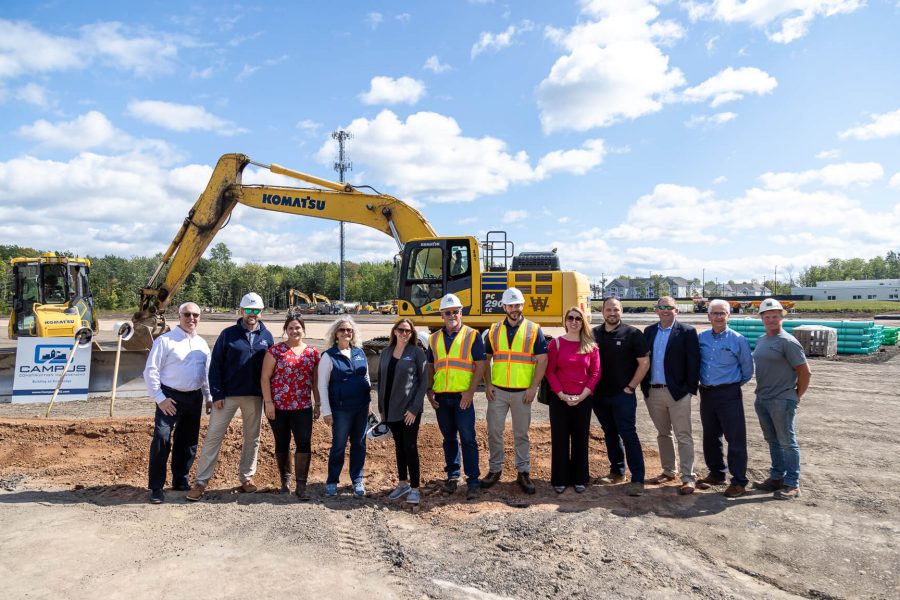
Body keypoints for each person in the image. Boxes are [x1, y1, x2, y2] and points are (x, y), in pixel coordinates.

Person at [187, 292, 273, 501]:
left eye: (256, 311)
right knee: (213, 437)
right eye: (248, 310)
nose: (252, 314)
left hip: (254, 396)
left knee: (252, 438)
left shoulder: (267, 337)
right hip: (227, 396)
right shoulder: (228, 334)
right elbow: (215, 366)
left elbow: (270, 369)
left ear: (261, 312)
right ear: (241, 311)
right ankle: (200, 482)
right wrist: (217, 393)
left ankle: (246, 478)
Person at [143, 302, 211, 504]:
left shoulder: (202, 344)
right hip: (170, 397)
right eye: (187, 315)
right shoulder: (165, 341)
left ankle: (180, 480)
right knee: (162, 438)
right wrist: (160, 398)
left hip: (193, 397)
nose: (192, 319)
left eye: (195, 315)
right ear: (179, 316)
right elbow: (150, 371)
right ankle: (156, 487)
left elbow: (205, 375)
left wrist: (208, 397)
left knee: (188, 441)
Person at [482, 287, 548, 494]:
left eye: (518, 305)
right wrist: (488, 383)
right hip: (498, 392)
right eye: (511, 305)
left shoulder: (534, 329)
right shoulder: (493, 330)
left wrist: (533, 387)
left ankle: (523, 471)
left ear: (522, 305)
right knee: (494, 432)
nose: (514, 309)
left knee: (521, 434)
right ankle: (495, 470)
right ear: (504, 306)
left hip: (522, 393)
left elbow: (542, 360)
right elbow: (486, 359)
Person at [426, 293, 487, 501]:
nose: (452, 315)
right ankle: (453, 476)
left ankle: (473, 481)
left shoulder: (472, 335)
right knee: (449, 438)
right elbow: (431, 366)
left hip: (463, 397)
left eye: (455, 312)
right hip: (442, 398)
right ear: (442, 315)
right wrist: (429, 390)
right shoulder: (434, 339)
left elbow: (480, 365)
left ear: (461, 313)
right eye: (447, 312)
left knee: (468, 438)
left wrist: (470, 391)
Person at [640, 296, 701, 495]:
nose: (665, 310)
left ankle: (687, 477)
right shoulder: (649, 331)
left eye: (670, 307)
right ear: (656, 310)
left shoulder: (687, 332)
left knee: (683, 435)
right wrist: (644, 387)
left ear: (677, 310)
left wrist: (689, 390)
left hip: (678, 393)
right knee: (663, 433)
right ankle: (668, 471)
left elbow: (694, 363)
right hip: (653, 391)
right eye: (662, 307)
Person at [752, 298, 811, 500]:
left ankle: (792, 484)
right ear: (761, 318)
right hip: (762, 398)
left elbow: (805, 373)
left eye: (774, 316)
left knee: (787, 442)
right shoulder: (762, 340)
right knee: (773, 441)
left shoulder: (788, 342)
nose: (770, 319)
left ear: (781, 317)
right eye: (767, 316)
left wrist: (795, 396)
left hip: (782, 399)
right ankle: (776, 477)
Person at [592, 297, 650, 497]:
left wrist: (631, 387)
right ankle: (617, 472)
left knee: (628, 434)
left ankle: (638, 479)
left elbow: (644, 362)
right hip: (599, 396)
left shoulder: (633, 334)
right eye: (608, 309)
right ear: (602, 312)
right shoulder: (594, 334)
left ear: (621, 311)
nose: (612, 313)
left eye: (616, 310)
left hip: (623, 395)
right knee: (609, 433)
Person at [696, 299, 754, 498]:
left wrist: (730, 386)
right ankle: (716, 473)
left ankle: (738, 481)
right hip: (706, 393)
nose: (719, 317)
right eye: (715, 313)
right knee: (711, 436)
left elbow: (747, 371)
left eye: (723, 313)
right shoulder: (701, 338)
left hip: (729, 393)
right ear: (708, 316)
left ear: (729, 316)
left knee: (735, 438)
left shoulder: (738, 340)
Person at [260, 314, 320, 500]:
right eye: (291, 328)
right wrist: (268, 403)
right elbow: (265, 378)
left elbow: (315, 381)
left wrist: (317, 403)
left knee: (303, 442)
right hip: (277, 406)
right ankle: (285, 480)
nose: (295, 331)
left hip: (302, 406)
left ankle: (301, 485)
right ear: (286, 331)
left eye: (298, 328)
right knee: (282, 441)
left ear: (303, 330)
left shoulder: (312, 353)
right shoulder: (275, 351)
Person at [545, 305, 600, 494]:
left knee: (580, 439)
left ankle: (580, 478)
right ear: (565, 321)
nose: (574, 322)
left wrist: (582, 396)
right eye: (570, 318)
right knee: (559, 439)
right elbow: (549, 371)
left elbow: (595, 373)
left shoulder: (591, 345)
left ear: (583, 321)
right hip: (559, 399)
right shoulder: (556, 343)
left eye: (578, 318)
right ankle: (560, 479)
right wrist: (562, 395)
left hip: (583, 400)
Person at [318, 317, 371, 497]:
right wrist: (327, 411)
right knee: (339, 445)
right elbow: (322, 385)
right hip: (341, 410)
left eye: (349, 330)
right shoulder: (328, 356)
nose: (346, 333)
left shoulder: (359, 353)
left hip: (361, 408)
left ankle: (357, 479)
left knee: (359, 444)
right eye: (342, 330)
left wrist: (369, 402)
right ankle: (332, 480)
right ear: (336, 334)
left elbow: (366, 378)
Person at [377, 318, 428, 506]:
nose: (404, 333)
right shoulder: (386, 352)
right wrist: (382, 408)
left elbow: (423, 383)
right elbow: (381, 381)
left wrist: (414, 409)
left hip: (409, 411)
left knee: (410, 447)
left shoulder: (417, 353)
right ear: (395, 331)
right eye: (401, 330)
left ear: (412, 333)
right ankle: (402, 483)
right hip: (391, 409)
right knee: (399, 447)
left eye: (408, 331)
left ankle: (415, 488)